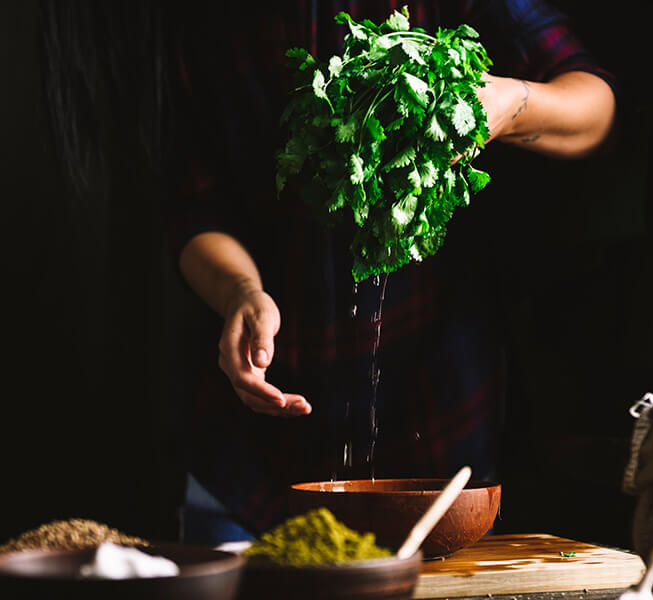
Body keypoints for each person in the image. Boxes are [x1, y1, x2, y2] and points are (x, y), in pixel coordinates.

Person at [42, 1, 616, 544]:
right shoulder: (209, 20)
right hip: (254, 455)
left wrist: (505, 105)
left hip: (435, 425)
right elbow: (194, 208)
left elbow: (593, 103)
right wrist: (243, 294)